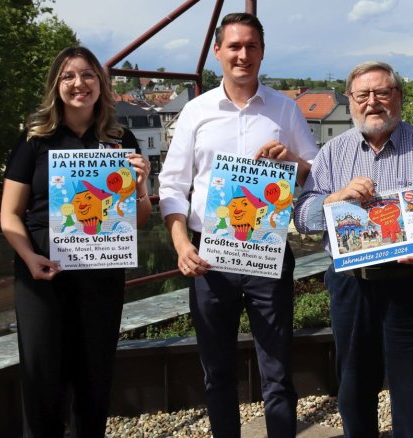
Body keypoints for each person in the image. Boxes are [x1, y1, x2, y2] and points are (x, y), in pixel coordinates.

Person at [158, 13, 318, 438]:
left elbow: (316, 173)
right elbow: (172, 185)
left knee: (277, 370)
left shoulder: (285, 109)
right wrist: (181, 244)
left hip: (268, 251)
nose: (243, 55)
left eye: (251, 46)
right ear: (218, 52)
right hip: (210, 256)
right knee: (216, 371)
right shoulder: (196, 112)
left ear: (262, 52)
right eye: (234, 46)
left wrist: (293, 161)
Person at [294, 60, 413, 437]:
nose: (372, 102)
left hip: (412, 281)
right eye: (362, 95)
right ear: (350, 100)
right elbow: (303, 216)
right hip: (351, 283)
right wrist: (334, 199)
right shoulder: (333, 152)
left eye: (382, 92)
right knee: (354, 385)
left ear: (398, 97)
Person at [1, 46, 152, 437]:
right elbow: (10, 214)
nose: (78, 83)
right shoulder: (35, 139)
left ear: (100, 84)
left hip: (100, 275)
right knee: (42, 379)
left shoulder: (120, 139)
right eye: (68, 76)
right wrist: (29, 258)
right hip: (42, 275)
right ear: (56, 85)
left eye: (87, 74)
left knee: (94, 379)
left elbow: (138, 220)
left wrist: (142, 186)